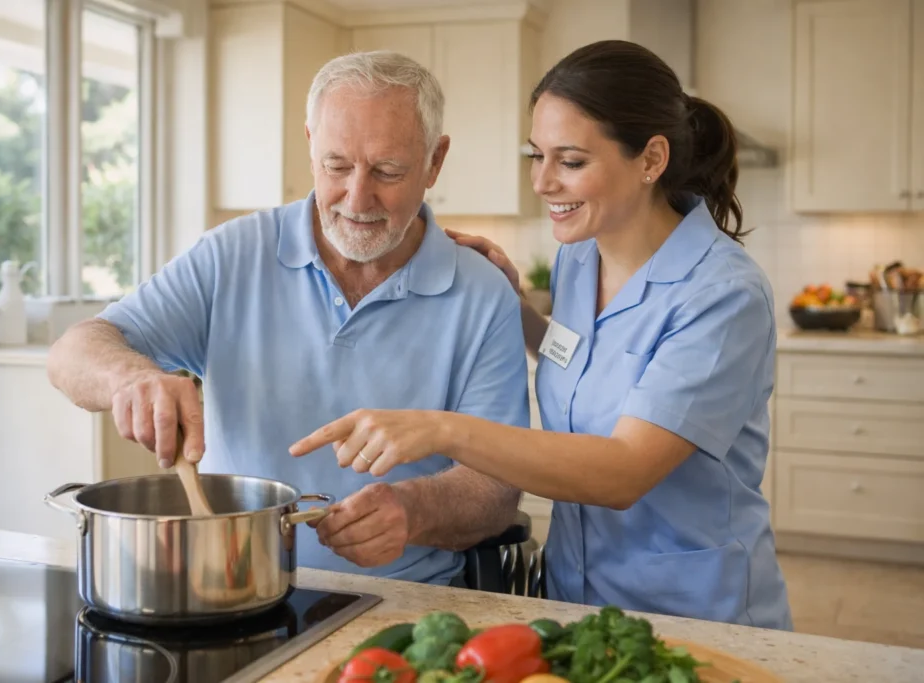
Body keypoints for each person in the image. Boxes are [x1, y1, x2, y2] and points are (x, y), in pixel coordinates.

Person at [290, 40, 793, 630]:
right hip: (578, 601)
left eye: (571, 161)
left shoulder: (721, 294)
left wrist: (439, 429)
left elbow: (623, 470)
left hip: (695, 613)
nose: (544, 181)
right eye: (537, 155)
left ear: (651, 159)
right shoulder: (580, 258)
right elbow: (583, 359)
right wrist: (518, 310)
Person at [46, 50, 531, 587]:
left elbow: (496, 492)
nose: (357, 196)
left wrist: (414, 510)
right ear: (310, 147)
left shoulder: (484, 293)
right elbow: (74, 352)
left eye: (388, 171)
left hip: (405, 601)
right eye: (337, 165)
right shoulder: (235, 254)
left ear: (435, 163)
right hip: (229, 587)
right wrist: (130, 378)